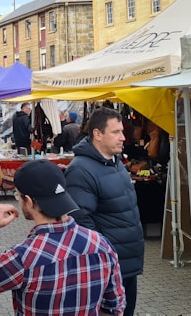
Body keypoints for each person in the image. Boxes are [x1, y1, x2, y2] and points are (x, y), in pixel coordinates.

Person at [0, 159, 126, 316]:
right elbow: (115, 307)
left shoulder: (23, 257)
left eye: (18, 196)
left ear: (29, 201)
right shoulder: (102, 245)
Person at [65, 106, 144, 316]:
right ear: (97, 134)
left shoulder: (116, 162)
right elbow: (82, 220)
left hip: (126, 263)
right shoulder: (81, 170)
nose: (123, 137)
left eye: (122, 132)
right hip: (106, 267)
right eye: (116, 132)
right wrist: (105, 254)